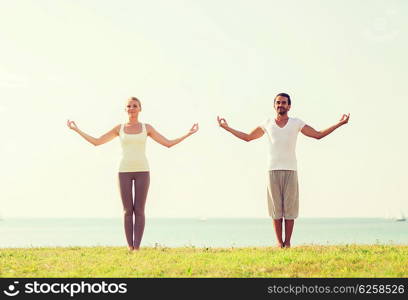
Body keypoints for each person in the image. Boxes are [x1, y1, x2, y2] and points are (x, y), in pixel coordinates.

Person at [217, 92, 349, 248]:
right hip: (272, 170)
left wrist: (339, 124)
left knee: (290, 208)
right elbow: (247, 137)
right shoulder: (267, 123)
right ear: (274, 105)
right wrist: (226, 127)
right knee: (276, 209)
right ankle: (279, 243)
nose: (281, 105)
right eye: (278, 102)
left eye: (284, 103)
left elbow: (318, 135)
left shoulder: (296, 123)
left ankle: (288, 242)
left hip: (291, 170)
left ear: (289, 106)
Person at [67, 97, 199, 251]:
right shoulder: (119, 128)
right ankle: (130, 247)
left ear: (140, 109)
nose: (131, 108)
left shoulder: (147, 128)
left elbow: (168, 143)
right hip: (123, 171)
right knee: (127, 210)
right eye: (128, 106)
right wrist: (77, 130)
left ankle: (137, 248)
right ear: (125, 109)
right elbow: (97, 141)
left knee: (140, 210)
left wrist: (188, 134)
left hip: (143, 170)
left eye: (135, 106)